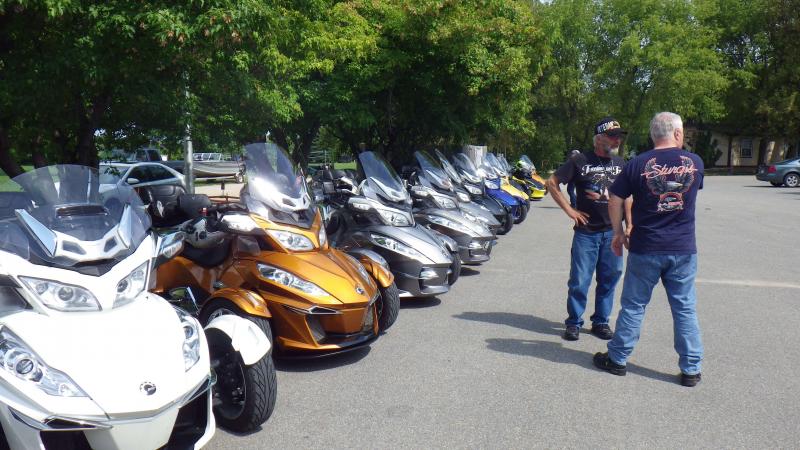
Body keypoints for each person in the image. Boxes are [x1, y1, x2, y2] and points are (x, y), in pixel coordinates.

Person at [593, 112, 704, 387]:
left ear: (653, 135)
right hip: (682, 247)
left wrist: (618, 233)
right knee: (684, 308)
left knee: (634, 305)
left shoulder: (637, 164)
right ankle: (691, 369)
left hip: (646, 247)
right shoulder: (696, 163)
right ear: (677, 134)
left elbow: (615, 197)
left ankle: (617, 359)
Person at [546, 117, 633, 341]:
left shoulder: (621, 164)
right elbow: (552, 183)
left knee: (610, 278)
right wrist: (570, 210)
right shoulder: (580, 160)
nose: (617, 140)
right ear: (599, 138)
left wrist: (629, 224)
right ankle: (574, 322)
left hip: (613, 233)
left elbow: (628, 197)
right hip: (586, 233)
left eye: (619, 136)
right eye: (613, 136)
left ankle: (601, 322)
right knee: (579, 280)